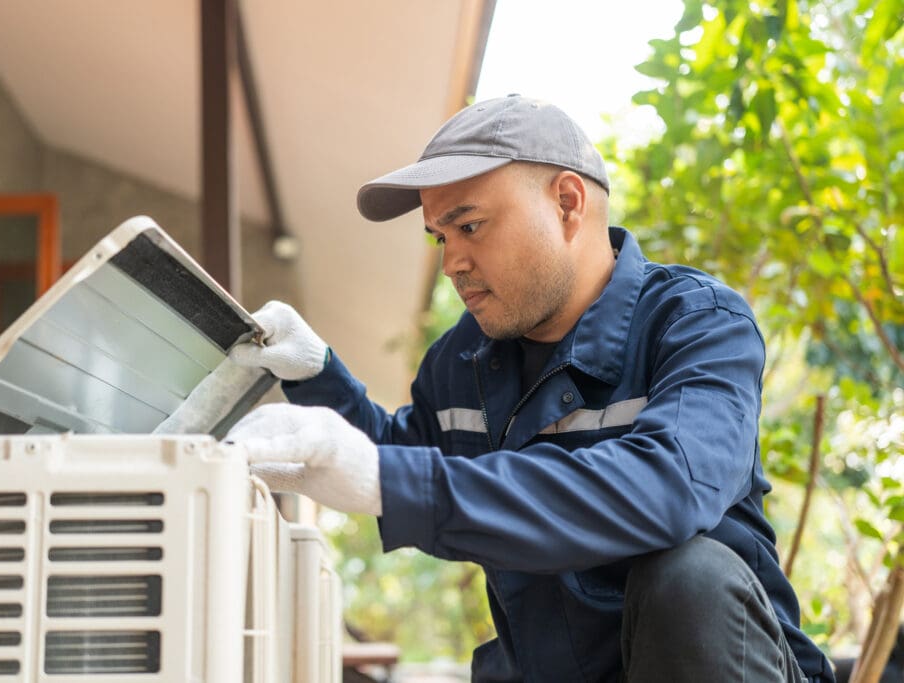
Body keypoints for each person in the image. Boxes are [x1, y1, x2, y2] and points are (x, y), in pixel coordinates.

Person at [226, 94, 834, 682]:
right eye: (441, 237)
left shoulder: (697, 325)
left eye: (469, 226)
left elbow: (667, 486)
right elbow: (404, 458)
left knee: (688, 575)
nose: (452, 263)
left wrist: (386, 479)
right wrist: (315, 377)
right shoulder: (460, 360)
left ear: (568, 203)